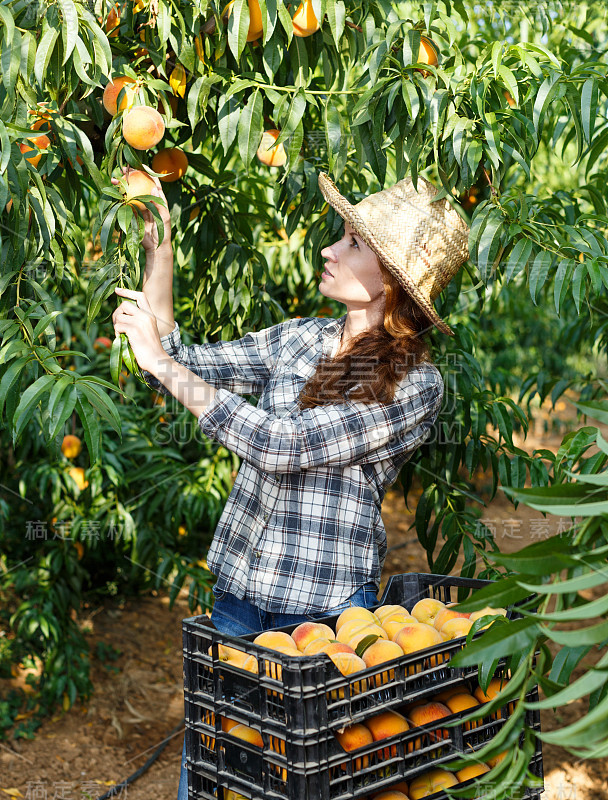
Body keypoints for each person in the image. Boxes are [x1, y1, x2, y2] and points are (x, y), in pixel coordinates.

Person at [111, 169, 470, 799]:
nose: (330, 249)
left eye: (353, 243)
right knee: (217, 760)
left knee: (302, 775)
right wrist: (159, 250)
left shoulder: (417, 385)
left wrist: (164, 365)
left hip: (325, 610)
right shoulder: (299, 337)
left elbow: (281, 446)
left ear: (392, 279)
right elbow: (184, 361)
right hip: (241, 592)